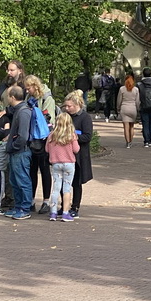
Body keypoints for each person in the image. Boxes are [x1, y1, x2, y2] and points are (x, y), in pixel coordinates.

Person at [24, 74, 56, 213]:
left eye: (28, 88)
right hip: (32, 138)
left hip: (43, 139)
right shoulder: (28, 98)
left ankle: (46, 201)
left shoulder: (47, 98)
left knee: (44, 170)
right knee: (32, 170)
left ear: (35, 86)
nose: (26, 91)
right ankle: (31, 200)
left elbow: (49, 120)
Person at [2, 85, 33, 220]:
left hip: (21, 152)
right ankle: (18, 206)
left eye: (8, 96)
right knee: (14, 180)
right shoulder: (18, 110)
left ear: (13, 97)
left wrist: (13, 147)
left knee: (23, 180)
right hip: (16, 152)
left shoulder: (23, 112)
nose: (7, 98)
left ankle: (25, 208)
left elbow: (23, 136)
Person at [61, 90, 93, 219]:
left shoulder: (85, 117)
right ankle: (64, 206)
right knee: (63, 182)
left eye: (70, 106)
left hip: (79, 155)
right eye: (66, 106)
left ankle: (75, 207)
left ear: (78, 104)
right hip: (64, 155)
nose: (67, 109)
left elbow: (87, 136)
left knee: (76, 182)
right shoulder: (65, 116)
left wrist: (74, 136)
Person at [44, 112, 79, 222]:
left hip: (56, 164)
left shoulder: (52, 135)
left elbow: (46, 150)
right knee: (67, 189)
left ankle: (53, 212)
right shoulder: (71, 135)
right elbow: (76, 149)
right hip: (69, 164)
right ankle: (65, 212)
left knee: (56, 188)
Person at [116, 73, 139, 148]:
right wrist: (137, 108)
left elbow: (119, 100)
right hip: (133, 108)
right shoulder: (136, 89)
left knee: (126, 127)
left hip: (124, 108)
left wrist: (118, 108)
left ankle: (127, 142)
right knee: (132, 126)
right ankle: (131, 141)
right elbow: (137, 101)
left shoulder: (122, 89)